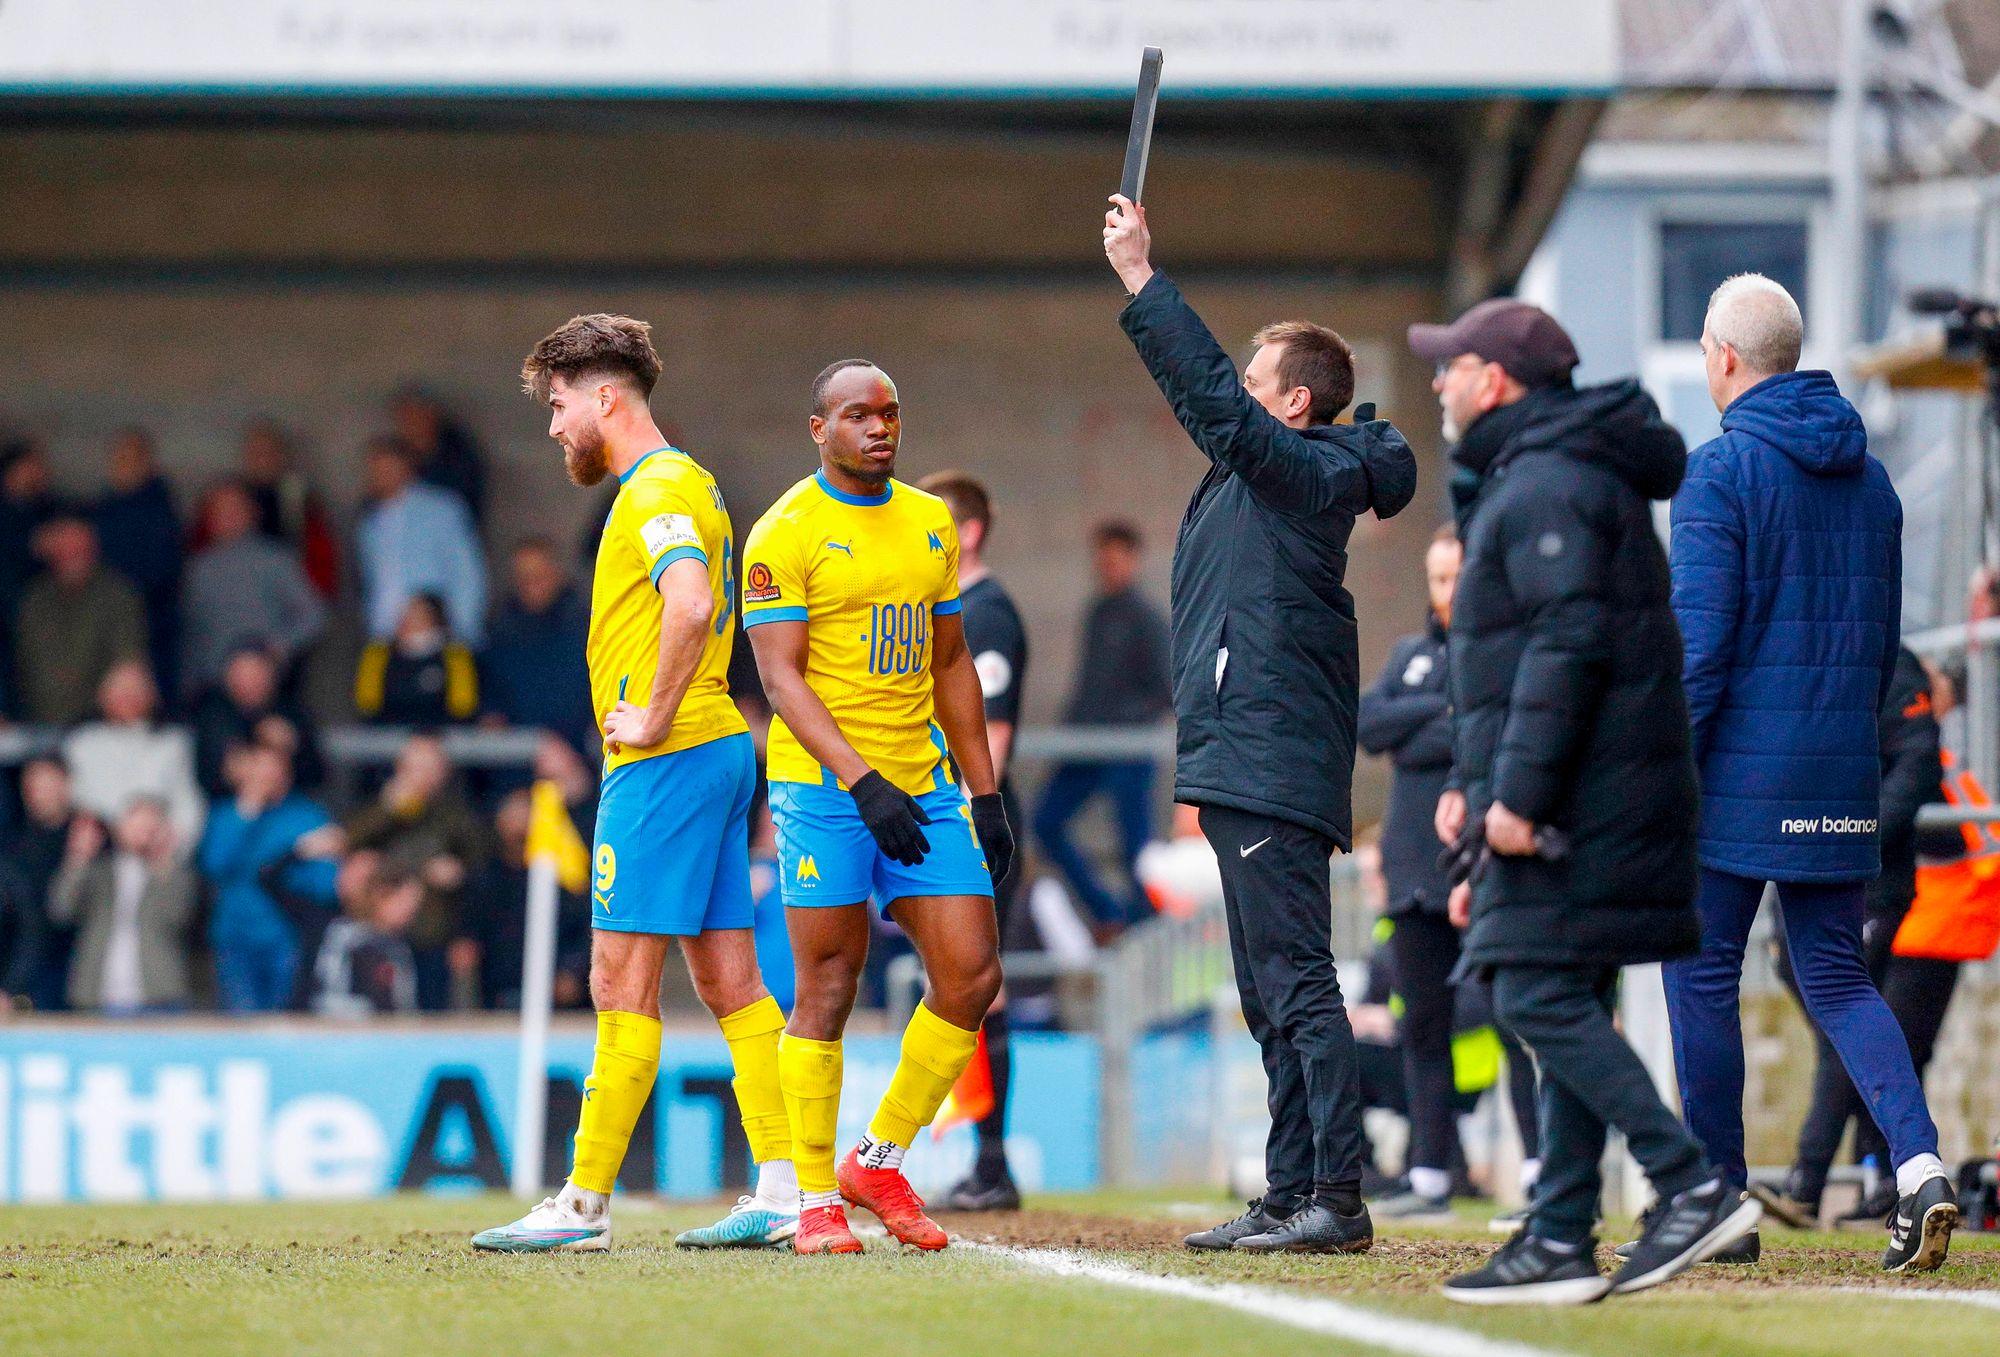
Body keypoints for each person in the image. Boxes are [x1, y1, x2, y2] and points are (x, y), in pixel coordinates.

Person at [1405, 296, 1758, 1303]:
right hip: (1592, 789)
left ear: (1496, 381)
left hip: (1575, 800)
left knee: (1530, 991)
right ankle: (1559, 1231)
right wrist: (1481, 796)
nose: (1437, 382)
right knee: (1560, 986)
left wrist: (1508, 797)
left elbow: (1565, 645)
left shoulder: (1546, 482)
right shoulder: (1548, 472)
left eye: (1450, 364)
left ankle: (1686, 1183)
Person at [1103, 195, 1416, 1255]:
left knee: (1294, 980)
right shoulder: (1280, 469)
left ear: (1291, 402)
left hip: (1272, 753)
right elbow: (1221, 417)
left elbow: (1212, 410)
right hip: (1246, 752)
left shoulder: (1302, 471)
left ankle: (1336, 1192)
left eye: (1249, 381)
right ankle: (1290, 1191)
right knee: (1263, 987)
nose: (1231, 395)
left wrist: (1145, 284)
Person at [473, 313, 797, 1255]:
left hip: (667, 760)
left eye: (560, 403)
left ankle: (582, 1203)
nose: (554, 425)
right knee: (730, 979)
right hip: (713, 752)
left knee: (618, 981)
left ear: (606, 396)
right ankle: (781, 1187)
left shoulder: (655, 487)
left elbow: (691, 602)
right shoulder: (684, 480)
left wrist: (650, 717)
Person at [1663, 273, 1954, 1275]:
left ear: (1724, 357)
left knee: (1699, 973)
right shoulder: (1868, 480)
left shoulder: (1720, 472)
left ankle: (1717, 1203)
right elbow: (1881, 643)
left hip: (1734, 776)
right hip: (1836, 767)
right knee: (1835, 974)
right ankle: (1917, 1165)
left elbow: (1696, 651)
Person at [741, 358, 1015, 1256]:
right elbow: (778, 678)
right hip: (826, 791)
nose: (879, 428)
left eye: (890, 413)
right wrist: (862, 779)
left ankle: (877, 1156)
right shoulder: (784, 533)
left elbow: (949, 665)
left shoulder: (931, 523)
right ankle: (815, 1198)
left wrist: (986, 790)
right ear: (817, 427)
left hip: (926, 784)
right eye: (857, 415)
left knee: (973, 974)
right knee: (827, 983)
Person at [1358, 526, 1543, 1225]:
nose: (1449, 591)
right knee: (1423, 1027)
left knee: (1514, 1017)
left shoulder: (1508, 653)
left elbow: (1487, 733)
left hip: (1479, 862)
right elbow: (1371, 724)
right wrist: (1447, 715)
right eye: (1438, 578)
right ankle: (1430, 1172)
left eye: (1458, 575)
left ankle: (1536, 1172)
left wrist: (1437, 725)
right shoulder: (1409, 655)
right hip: (1411, 867)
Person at [1762, 647, 1960, 1228]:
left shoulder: (1885, 656)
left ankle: (1814, 1180)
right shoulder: (1792, 650)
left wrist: (1858, 831)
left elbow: (1920, 763)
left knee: (1846, 1013)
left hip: (1869, 881)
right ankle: (1893, 1178)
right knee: (1845, 1031)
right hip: (1795, 866)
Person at [920, 470, 1032, 1212]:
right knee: (963, 987)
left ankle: (992, 1162)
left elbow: (990, 734)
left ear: (968, 533)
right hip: (946, 818)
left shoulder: (988, 615)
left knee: (978, 987)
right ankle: (982, 1160)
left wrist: (961, 816)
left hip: (973, 819)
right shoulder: (956, 611)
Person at [1032, 519, 1169, 933]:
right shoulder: (1097, 613)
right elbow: (1089, 684)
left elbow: (1166, 688)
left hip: (1126, 749)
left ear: (1133, 560)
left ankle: (1141, 931)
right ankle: (1108, 911)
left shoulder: (1145, 618)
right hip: (1087, 746)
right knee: (1045, 822)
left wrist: (1125, 723)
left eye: (1115, 559)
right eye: (1101, 560)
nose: (1107, 568)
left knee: (1136, 854)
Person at [336, 732, 486, 1011]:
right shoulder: (378, 806)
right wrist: (389, 809)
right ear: (400, 768)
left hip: (431, 936)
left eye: (431, 767)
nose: (423, 776)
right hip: (376, 936)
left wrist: (458, 873)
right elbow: (347, 844)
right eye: (416, 767)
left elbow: (480, 870)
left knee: (427, 1011)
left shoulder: (455, 814)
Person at [198, 740, 338, 1012]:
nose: (266, 778)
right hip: (234, 939)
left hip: (287, 938)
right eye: (259, 769)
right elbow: (214, 866)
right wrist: (245, 813)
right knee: (241, 1026)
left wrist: (295, 862)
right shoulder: (227, 814)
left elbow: (326, 884)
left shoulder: (307, 816)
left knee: (284, 1026)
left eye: (274, 770)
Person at [47, 796, 197, 1015]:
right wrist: (79, 859)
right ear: (119, 828)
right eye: (136, 825)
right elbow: (62, 910)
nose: (143, 833)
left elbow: (176, 918)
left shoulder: (176, 876)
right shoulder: (98, 872)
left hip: (158, 997)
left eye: (151, 827)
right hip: (97, 996)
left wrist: (164, 864)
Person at [180, 479, 326, 695]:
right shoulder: (197, 569)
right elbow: (190, 636)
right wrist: (188, 685)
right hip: (213, 691)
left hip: (270, 686)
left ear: (252, 513)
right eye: (218, 509)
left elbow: (314, 616)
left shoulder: (276, 559)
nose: (227, 516)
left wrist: (280, 646)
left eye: (234, 508)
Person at [14, 513, 147, 725]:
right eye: (64, 544)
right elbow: (19, 662)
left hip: (96, 726)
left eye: (79, 544)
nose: (72, 552)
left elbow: (127, 661)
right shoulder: (33, 598)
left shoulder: (118, 594)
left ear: (93, 546)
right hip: (33, 722)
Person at [355, 435, 487, 648]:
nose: (381, 476)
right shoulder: (370, 521)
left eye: (387, 469)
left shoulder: (443, 508)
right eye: (376, 470)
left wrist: (463, 630)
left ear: (407, 467)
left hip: (439, 635)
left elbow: (467, 573)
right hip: (387, 638)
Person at [63, 660, 206, 850]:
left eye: (136, 688)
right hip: (99, 857)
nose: (128, 695)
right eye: (120, 688)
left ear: (152, 695)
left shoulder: (173, 743)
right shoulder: (81, 744)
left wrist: (171, 843)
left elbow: (188, 806)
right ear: (102, 695)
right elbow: (72, 805)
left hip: (158, 854)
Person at [480, 537, 596, 759]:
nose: (532, 585)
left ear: (557, 573)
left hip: (579, 758)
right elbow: (491, 704)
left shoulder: (585, 624)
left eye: (540, 576)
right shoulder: (500, 631)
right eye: (524, 578)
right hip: (517, 757)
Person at [93, 428, 183, 702]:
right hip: (102, 622)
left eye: (133, 458)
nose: (126, 466)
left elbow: (162, 571)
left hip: (152, 622)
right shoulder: (101, 509)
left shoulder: (162, 511)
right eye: (120, 459)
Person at [191, 644, 325, 801]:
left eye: (256, 675)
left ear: (272, 677)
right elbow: (206, 774)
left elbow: (316, 774)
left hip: (286, 806)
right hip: (227, 807)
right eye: (241, 675)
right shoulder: (212, 713)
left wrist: (294, 746)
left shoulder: (290, 712)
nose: (249, 682)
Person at [3, 756, 78, 1009]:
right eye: (32, 785)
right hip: (29, 962)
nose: (38, 793)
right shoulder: (12, 844)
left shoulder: (92, 834)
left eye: (47, 784)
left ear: (67, 784)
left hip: (81, 960)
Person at [236, 419, 338, 598]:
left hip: (290, 594)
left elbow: (320, 555)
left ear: (281, 456)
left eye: (268, 452)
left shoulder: (299, 498)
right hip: (242, 595)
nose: (262, 459)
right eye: (255, 453)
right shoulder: (231, 497)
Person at [310, 861, 425, 1017]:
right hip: (346, 1033)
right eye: (404, 900)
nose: (412, 909)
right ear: (381, 895)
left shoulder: (399, 948)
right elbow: (328, 997)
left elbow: (405, 1005)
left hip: (389, 1036)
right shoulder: (346, 938)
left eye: (416, 903)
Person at [354, 593, 480, 726]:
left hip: (444, 737)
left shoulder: (455, 655)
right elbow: (368, 705)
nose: (407, 620)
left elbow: (463, 708)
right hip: (389, 735)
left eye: (417, 615)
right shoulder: (379, 654)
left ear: (434, 619)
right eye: (405, 614)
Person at [392, 386, 489, 526]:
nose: (409, 426)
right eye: (404, 419)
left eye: (414, 417)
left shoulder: (457, 456)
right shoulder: (400, 453)